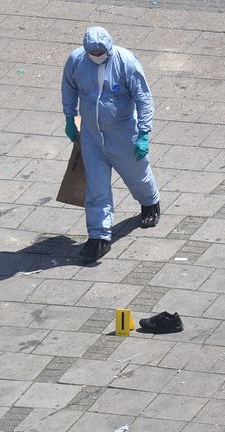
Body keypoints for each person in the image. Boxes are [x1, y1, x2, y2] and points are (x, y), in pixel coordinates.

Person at [62, 26, 161, 263]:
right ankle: (99, 236)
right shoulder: (77, 60)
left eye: (100, 50)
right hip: (91, 135)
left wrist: (144, 133)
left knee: (136, 174)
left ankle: (150, 203)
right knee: (96, 186)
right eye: (92, 51)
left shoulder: (126, 62)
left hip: (123, 133)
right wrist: (69, 116)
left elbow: (143, 97)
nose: (96, 54)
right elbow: (69, 86)